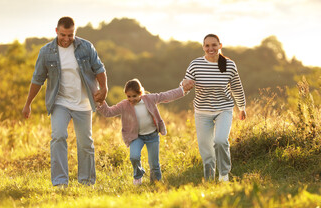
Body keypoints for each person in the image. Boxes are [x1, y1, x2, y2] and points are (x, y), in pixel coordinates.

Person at [22, 16, 108, 187]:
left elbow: (99, 69)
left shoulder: (86, 47)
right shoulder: (46, 52)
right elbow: (37, 79)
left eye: (70, 35)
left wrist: (104, 88)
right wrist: (28, 103)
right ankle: (60, 182)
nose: (67, 39)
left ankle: (86, 183)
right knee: (58, 136)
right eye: (63, 35)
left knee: (85, 143)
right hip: (60, 101)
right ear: (56, 31)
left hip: (83, 102)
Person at [97, 78, 195, 185]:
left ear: (140, 93)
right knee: (134, 157)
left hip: (152, 136)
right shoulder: (124, 105)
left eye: (134, 96)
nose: (131, 99)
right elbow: (109, 112)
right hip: (136, 137)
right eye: (128, 96)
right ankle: (138, 175)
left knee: (154, 164)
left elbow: (166, 95)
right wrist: (101, 102)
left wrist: (182, 90)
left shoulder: (149, 99)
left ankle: (156, 184)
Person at [183, 34, 246, 182]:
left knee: (220, 141)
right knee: (206, 149)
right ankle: (209, 179)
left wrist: (242, 107)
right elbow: (185, 83)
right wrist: (183, 86)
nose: (210, 48)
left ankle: (224, 174)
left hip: (224, 109)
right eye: (207, 46)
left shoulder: (229, 65)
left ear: (220, 46)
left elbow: (237, 87)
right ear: (203, 47)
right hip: (202, 112)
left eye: (214, 45)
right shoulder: (195, 64)